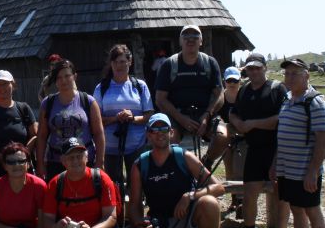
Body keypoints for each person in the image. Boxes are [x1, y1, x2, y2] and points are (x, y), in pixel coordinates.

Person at [124, 114, 223, 228]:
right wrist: (140, 224)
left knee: (210, 204)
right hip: (160, 221)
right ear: (148, 134)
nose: (159, 134)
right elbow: (134, 205)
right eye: (154, 130)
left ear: (171, 132)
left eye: (164, 129)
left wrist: (190, 196)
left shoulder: (184, 156)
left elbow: (218, 187)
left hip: (189, 217)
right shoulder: (140, 164)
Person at [263, 58, 325, 228]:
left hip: (304, 170)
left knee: (312, 210)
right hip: (286, 169)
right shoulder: (288, 99)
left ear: (306, 75)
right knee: (295, 208)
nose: (289, 78)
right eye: (287, 74)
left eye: (295, 73)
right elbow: (282, 135)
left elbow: (323, 138)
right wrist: (275, 163)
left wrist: (313, 170)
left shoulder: (316, 102)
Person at [227, 54, 287, 228]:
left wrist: (251, 124)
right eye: (250, 69)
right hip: (254, 148)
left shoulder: (277, 89)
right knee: (250, 192)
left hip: (275, 148)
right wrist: (237, 123)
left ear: (265, 69)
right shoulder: (244, 90)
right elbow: (233, 112)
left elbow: (281, 119)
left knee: (280, 193)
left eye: (257, 68)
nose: (253, 72)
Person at [93, 44, 154, 190]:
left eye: (122, 61)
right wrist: (116, 118)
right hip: (109, 147)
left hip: (137, 146)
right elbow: (95, 119)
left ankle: (136, 212)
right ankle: (117, 213)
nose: (119, 65)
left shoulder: (140, 86)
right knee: (113, 187)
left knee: (138, 185)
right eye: (115, 62)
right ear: (111, 64)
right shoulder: (101, 88)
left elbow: (148, 115)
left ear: (129, 61)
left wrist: (132, 118)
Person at [36, 59, 106, 181]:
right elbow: (41, 136)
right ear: (55, 81)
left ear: (74, 76)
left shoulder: (88, 101)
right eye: (59, 77)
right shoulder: (47, 103)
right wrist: (40, 164)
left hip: (84, 161)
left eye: (67, 75)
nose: (63, 80)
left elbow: (99, 133)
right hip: (56, 161)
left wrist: (100, 161)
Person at [154, 25, 222, 146]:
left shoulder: (210, 63)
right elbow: (160, 99)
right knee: (169, 139)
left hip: (205, 114)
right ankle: (179, 164)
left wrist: (207, 115)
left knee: (223, 136)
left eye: (195, 36)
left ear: (201, 41)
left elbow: (220, 95)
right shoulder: (169, 65)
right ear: (180, 41)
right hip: (176, 116)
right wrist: (180, 118)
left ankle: (207, 162)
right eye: (186, 36)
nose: (190, 39)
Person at [0, 70, 38, 192]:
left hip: (21, 167)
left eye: (6, 83)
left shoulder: (23, 108)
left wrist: (24, 155)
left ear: (13, 85)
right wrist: (0, 156)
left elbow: (35, 135)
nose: (2, 87)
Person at [201, 65, 243, 175]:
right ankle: (231, 190)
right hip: (226, 139)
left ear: (240, 80)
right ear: (224, 81)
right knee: (229, 168)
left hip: (242, 138)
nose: (232, 83)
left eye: (235, 80)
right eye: (229, 80)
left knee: (240, 171)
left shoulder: (244, 96)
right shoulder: (220, 100)